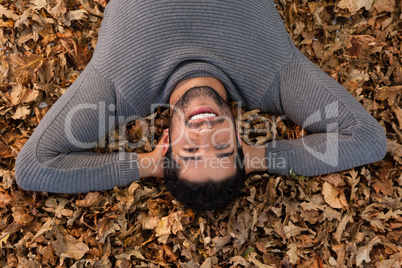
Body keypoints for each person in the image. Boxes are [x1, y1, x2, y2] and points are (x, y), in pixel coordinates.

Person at [15, 0, 387, 211]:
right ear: (241, 139)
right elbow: (366, 139)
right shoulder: (274, 76)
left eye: (191, 152)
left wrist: (146, 165)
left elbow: (35, 166)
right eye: (223, 148)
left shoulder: (119, 86)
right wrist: (258, 158)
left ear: (165, 143)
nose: (205, 133)